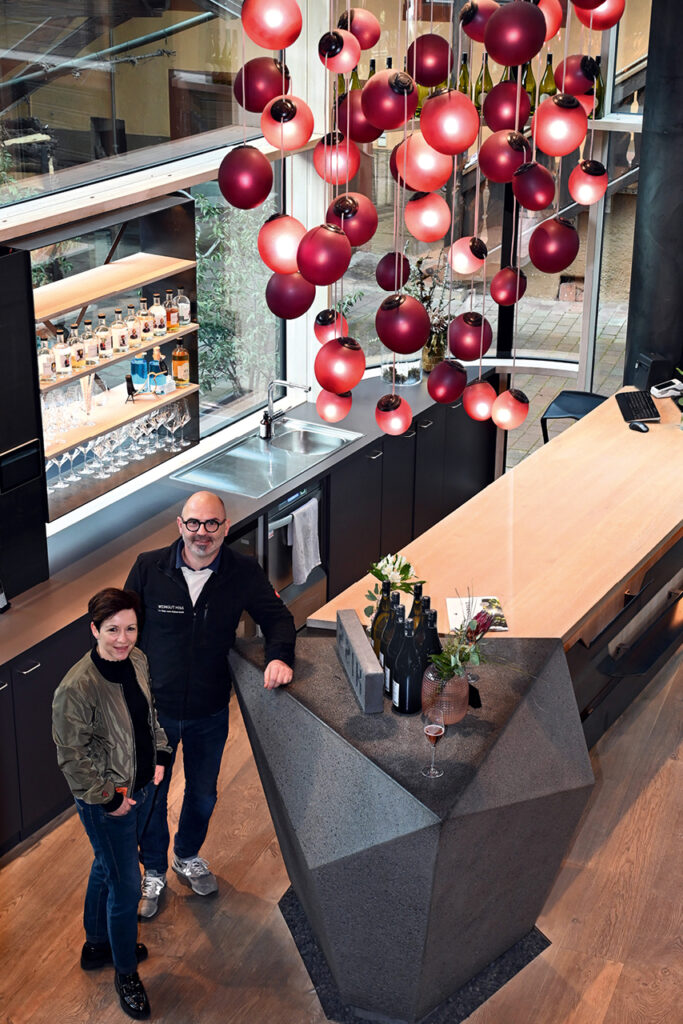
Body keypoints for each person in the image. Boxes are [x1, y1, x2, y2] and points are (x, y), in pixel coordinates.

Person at [125, 490, 295, 919]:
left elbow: (278, 618)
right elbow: (123, 629)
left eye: (212, 524)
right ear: (180, 526)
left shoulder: (242, 571)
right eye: (194, 523)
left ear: (225, 527)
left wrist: (279, 656)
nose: (202, 533)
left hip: (210, 709)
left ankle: (185, 855)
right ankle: (153, 869)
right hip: (155, 714)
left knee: (202, 793)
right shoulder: (148, 568)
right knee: (152, 795)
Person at [52, 588, 172, 1021]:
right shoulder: (77, 687)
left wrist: (161, 754)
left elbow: (149, 716)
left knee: (107, 866)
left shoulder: (137, 660)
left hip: (142, 788)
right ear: (94, 630)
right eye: (112, 630)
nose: (123, 639)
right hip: (109, 802)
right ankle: (125, 974)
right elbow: (72, 757)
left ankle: (97, 946)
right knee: (125, 888)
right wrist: (110, 798)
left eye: (130, 629)